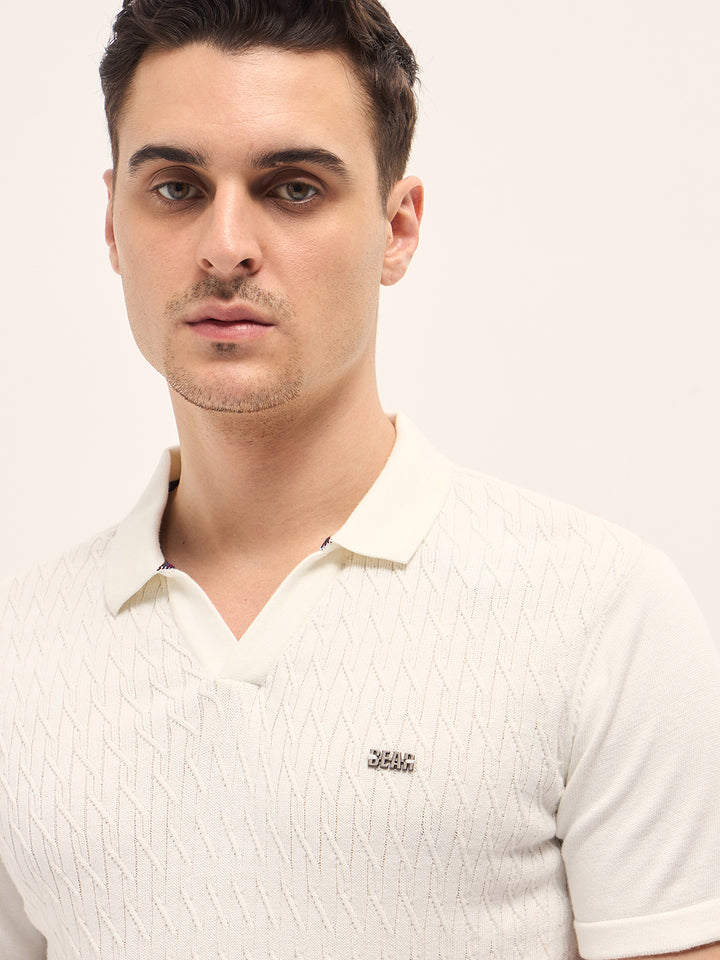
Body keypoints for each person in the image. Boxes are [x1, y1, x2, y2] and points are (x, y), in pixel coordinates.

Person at [0, 0, 718, 957]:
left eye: (293, 188)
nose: (225, 245)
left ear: (398, 228)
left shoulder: (599, 616)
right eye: (175, 187)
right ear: (111, 222)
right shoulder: (19, 656)